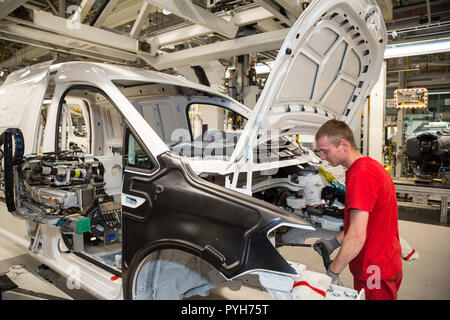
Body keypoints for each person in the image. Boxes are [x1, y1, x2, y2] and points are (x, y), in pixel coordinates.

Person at [313, 119, 402, 300]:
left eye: (325, 151)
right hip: (382, 262)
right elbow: (363, 224)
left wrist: (333, 271)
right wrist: (334, 242)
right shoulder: (368, 167)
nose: (322, 157)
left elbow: (356, 237)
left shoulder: (362, 175)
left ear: (343, 145)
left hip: (374, 269)